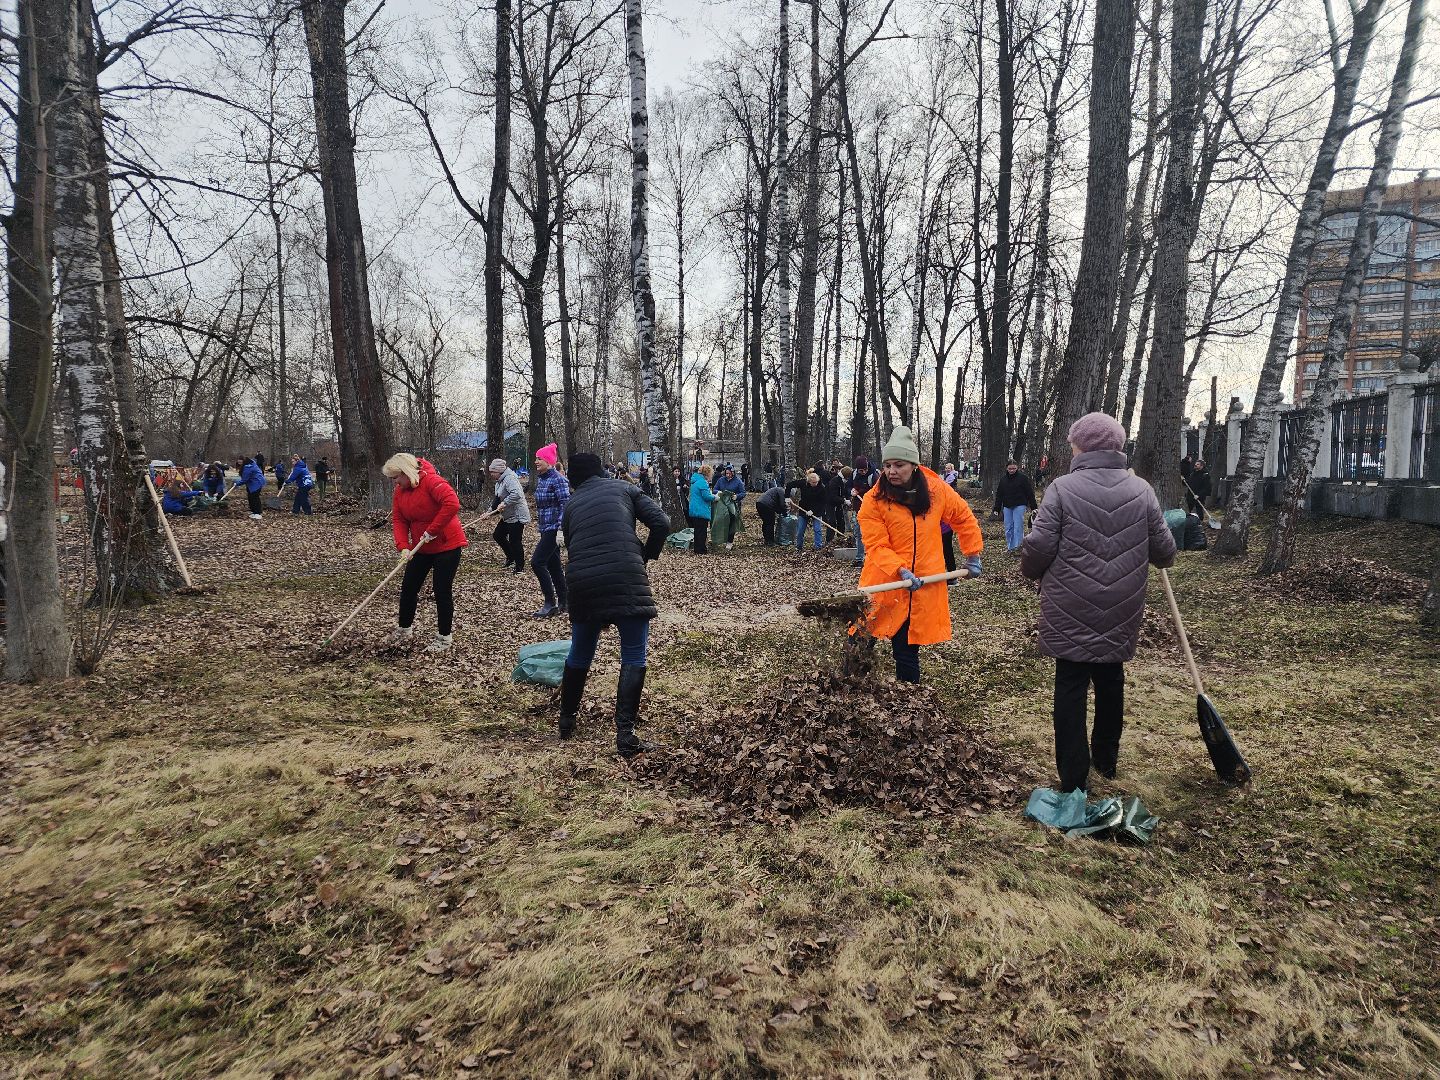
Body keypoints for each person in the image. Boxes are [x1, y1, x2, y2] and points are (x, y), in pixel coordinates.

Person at [1020, 412, 1176, 793]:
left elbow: (1039, 547)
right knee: (1111, 680)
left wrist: (1031, 568)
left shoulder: (1062, 488)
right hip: (1122, 603)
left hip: (1070, 602)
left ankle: (1074, 776)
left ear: (1081, 445)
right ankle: (1105, 762)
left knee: (1071, 683)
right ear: (1117, 446)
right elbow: (1166, 552)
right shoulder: (1141, 490)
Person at [556, 453, 670, 757]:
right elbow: (661, 521)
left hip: (582, 581)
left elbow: (572, 544)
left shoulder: (571, 505)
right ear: (601, 471)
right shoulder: (624, 488)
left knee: (579, 651)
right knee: (633, 653)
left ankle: (566, 722)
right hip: (626, 577)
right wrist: (645, 556)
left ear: (573, 479)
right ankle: (625, 735)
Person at [858, 426, 984, 683]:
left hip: (921, 586)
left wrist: (972, 554)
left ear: (914, 465)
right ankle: (847, 693)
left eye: (899, 465)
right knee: (861, 641)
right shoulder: (874, 500)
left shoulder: (937, 491)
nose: (892, 471)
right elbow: (876, 545)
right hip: (885, 582)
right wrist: (900, 569)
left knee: (906, 652)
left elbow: (963, 518)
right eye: (888, 465)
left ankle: (910, 706)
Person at [384, 452, 468, 653]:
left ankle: (444, 637)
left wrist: (432, 530)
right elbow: (399, 520)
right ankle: (404, 629)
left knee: (441, 590)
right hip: (421, 546)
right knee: (409, 588)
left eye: (396, 477)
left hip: (447, 544)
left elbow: (452, 504)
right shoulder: (400, 491)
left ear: (406, 472)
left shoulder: (432, 481)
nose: (394, 482)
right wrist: (403, 546)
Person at [531, 443, 570, 617]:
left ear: (549, 461)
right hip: (545, 527)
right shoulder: (543, 478)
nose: (536, 461)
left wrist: (561, 529)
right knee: (554, 565)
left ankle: (550, 603)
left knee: (537, 562)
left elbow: (565, 505)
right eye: (536, 458)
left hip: (554, 528)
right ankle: (564, 601)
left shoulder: (558, 479)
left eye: (540, 458)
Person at [487, 457, 529, 572]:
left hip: (517, 514)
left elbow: (517, 494)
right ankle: (511, 557)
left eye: (493, 472)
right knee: (498, 535)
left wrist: (505, 503)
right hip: (508, 515)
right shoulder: (499, 481)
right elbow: (497, 498)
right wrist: (489, 512)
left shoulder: (510, 478)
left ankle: (519, 567)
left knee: (515, 540)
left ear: (499, 471)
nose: (491, 474)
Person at [993, 460, 1039, 553]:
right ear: (1007, 468)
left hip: (1019, 504)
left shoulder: (1023, 478)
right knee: (1008, 528)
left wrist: (1033, 506)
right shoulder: (1003, 480)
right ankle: (1010, 547)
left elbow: (1029, 492)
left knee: (1018, 527)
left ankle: (1018, 547)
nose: (1012, 470)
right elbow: (999, 495)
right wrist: (997, 508)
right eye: (1010, 468)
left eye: (1014, 468)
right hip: (1007, 506)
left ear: (1017, 467)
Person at [787, 469, 829, 552]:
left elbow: (822, 503)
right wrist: (786, 497)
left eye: (816, 482)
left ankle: (818, 547)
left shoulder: (822, 488)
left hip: (816, 511)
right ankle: (799, 547)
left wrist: (813, 511)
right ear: (809, 481)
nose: (815, 484)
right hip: (804, 509)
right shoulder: (803, 483)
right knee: (800, 530)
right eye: (813, 483)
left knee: (817, 529)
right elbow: (789, 485)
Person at [848, 455, 878, 568]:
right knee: (858, 533)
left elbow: (878, 492)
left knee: (871, 534)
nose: (864, 472)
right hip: (858, 508)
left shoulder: (873, 476)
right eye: (861, 470)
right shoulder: (854, 474)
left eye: (865, 469)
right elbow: (848, 485)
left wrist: (864, 494)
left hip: (871, 509)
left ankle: (873, 557)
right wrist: (851, 490)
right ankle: (859, 558)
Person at [687, 464, 718, 555]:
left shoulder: (695, 481)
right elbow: (706, 496)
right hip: (701, 510)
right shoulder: (702, 482)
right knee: (702, 531)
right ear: (707, 474)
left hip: (694, 509)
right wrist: (715, 497)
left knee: (697, 531)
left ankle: (697, 549)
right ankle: (701, 550)